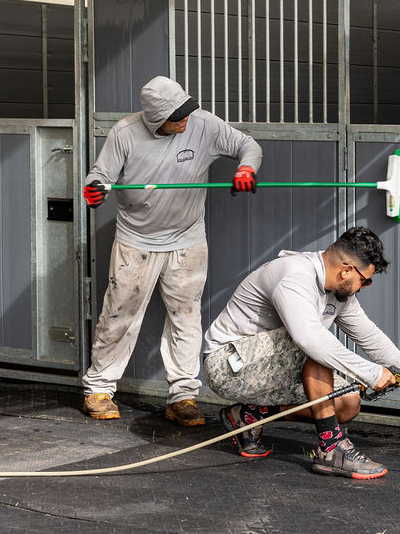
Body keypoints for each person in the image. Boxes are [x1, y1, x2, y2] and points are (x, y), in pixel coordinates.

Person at [81, 75, 262, 426]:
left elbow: (248, 146)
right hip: (136, 242)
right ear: (153, 119)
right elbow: (100, 175)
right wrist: (94, 190)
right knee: (119, 315)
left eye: (187, 113)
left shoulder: (203, 124)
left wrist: (245, 168)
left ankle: (183, 396)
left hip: (187, 241)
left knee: (186, 318)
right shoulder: (125, 132)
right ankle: (99, 389)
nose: (185, 121)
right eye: (176, 117)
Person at [202, 226, 400, 479]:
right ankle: (331, 448)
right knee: (317, 344)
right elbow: (311, 340)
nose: (363, 287)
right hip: (228, 366)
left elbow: (370, 337)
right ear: (346, 270)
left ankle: (248, 415)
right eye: (365, 280)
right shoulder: (295, 276)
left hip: (268, 367)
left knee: (347, 402)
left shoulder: (339, 295)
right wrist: (371, 373)